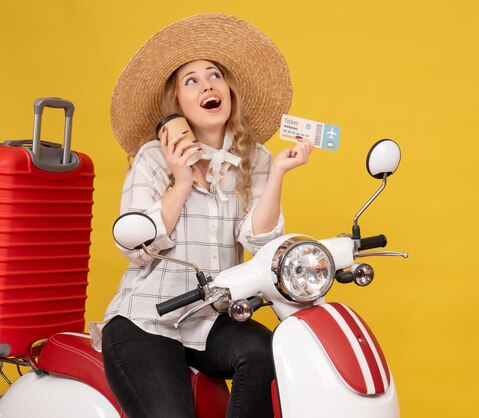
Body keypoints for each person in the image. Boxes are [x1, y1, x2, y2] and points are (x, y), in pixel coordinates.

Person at [89, 14, 313, 418]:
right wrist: (179, 181)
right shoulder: (153, 158)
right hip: (145, 321)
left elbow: (257, 242)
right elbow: (135, 249)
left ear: (227, 90)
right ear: (177, 104)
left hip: (210, 318)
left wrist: (277, 172)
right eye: (191, 80)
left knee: (265, 351)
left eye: (214, 75)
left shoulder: (255, 158)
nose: (208, 84)